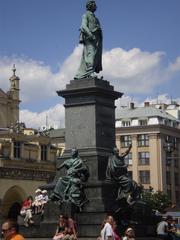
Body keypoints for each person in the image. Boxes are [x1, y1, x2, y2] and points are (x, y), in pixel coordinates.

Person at [74, 0, 102, 79]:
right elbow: (83, 26)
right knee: (91, 54)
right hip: (90, 38)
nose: (96, 6)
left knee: (95, 55)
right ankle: (90, 72)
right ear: (90, 6)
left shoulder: (96, 18)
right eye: (94, 5)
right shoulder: (85, 15)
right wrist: (90, 34)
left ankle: (89, 72)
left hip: (97, 39)